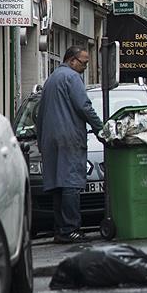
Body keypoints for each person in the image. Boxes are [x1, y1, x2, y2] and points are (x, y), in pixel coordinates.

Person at [36, 46, 103, 243]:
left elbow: (41, 113)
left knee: (58, 184)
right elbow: (84, 106)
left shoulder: (51, 79)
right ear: (72, 60)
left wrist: (41, 140)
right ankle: (71, 229)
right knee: (71, 183)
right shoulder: (73, 78)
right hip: (69, 137)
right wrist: (100, 129)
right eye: (84, 63)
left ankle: (60, 229)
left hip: (51, 138)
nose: (85, 67)